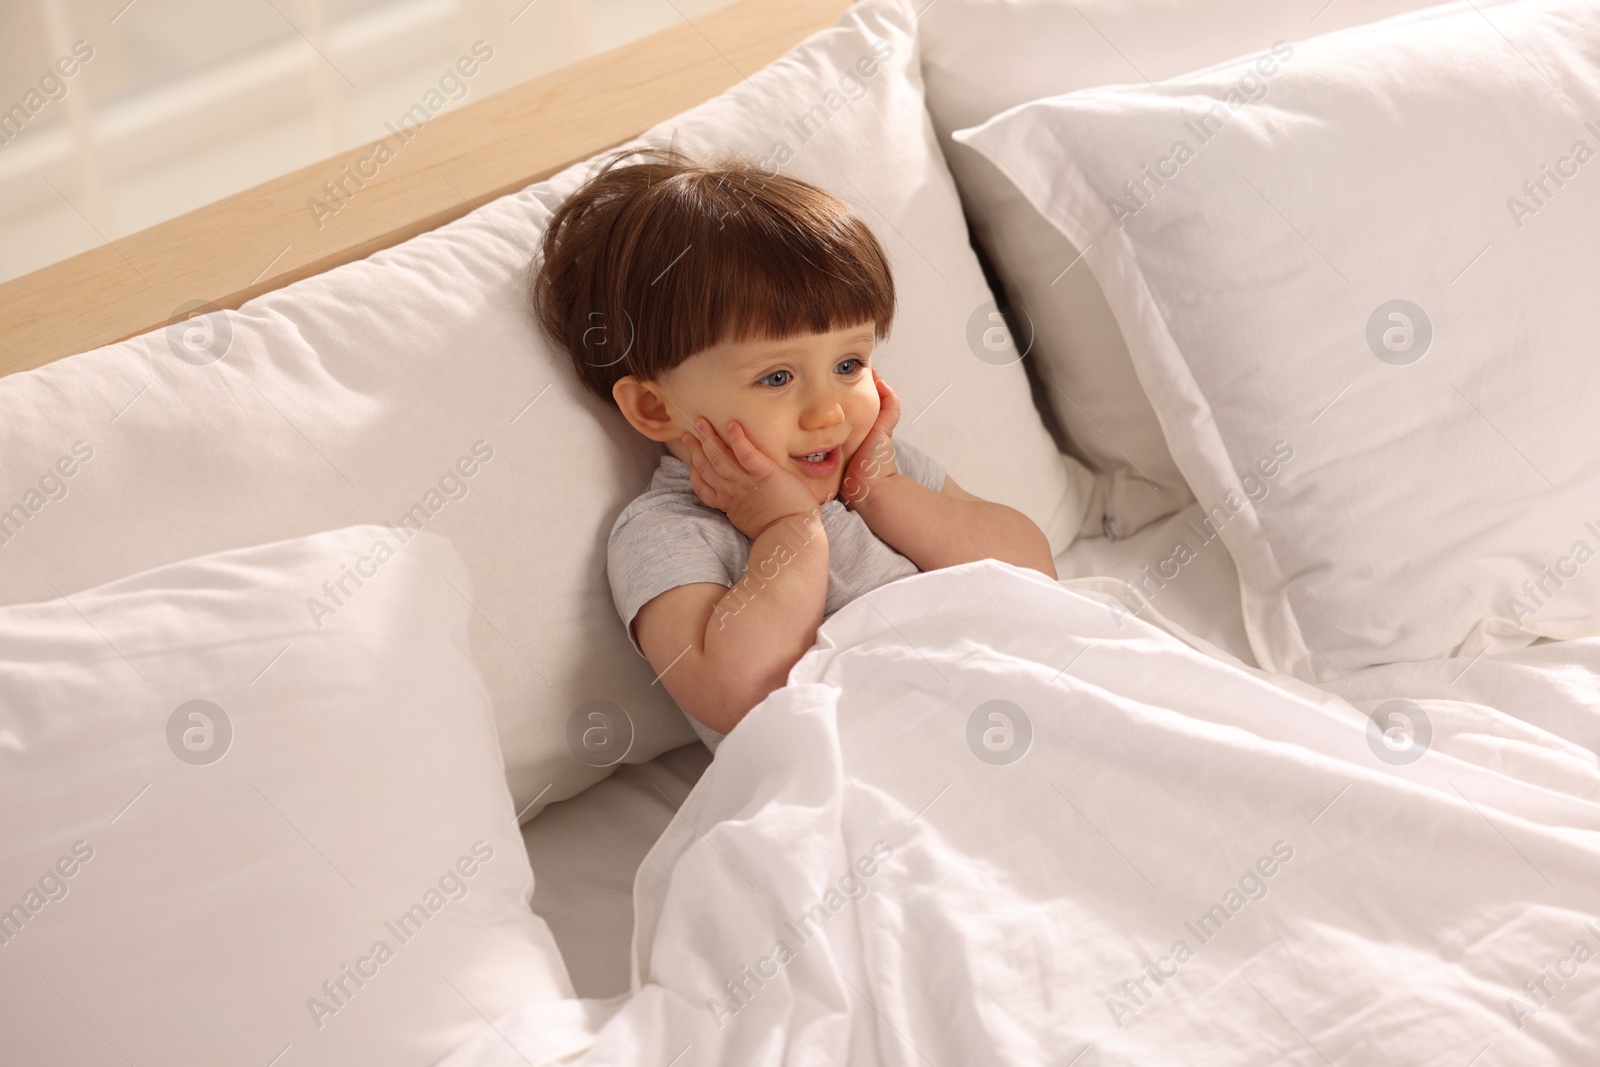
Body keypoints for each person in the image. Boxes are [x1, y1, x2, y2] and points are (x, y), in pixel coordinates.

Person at [532, 146, 1056, 750]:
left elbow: (1032, 578)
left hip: (998, 705)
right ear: (656, 408)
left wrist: (884, 492)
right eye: (776, 378)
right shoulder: (670, 532)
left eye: (849, 364)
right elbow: (738, 698)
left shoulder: (879, 469)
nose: (828, 412)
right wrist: (789, 530)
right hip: (874, 757)